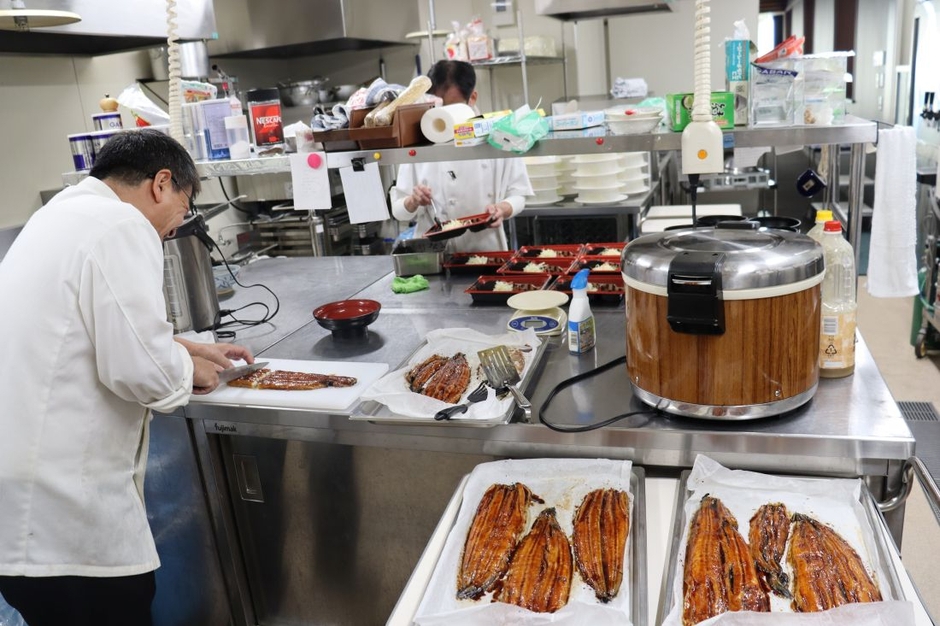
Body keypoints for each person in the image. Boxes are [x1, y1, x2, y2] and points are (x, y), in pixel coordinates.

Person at [0, 129, 254, 626]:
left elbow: (77, 328)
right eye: (182, 210)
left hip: (21, 523)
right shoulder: (122, 225)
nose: (172, 228)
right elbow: (145, 374)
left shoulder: (58, 216)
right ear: (162, 183)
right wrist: (189, 369)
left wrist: (186, 345)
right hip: (69, 527)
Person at [390, 60, 533, 252]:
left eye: (452, 107)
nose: (444, 116)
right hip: (433, 254)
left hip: (485, 251)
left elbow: (518, 195)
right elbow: (399, 211)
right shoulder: (419, 143)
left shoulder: (498, 135)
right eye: (438, 107)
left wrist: (502, 209)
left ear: (472, 98)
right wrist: (412, 201)